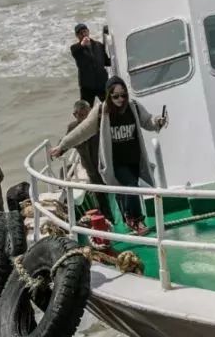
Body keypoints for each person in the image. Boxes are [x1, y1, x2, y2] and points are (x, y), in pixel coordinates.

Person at [51, 76, 165, 235]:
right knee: (130, 186)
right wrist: (62, 146)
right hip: (115, 162)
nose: (120, 99)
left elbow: (148, 121)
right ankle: (135, 219)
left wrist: (158, 121)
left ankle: (129, 216)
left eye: (123, 95)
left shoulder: (134, 107)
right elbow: (82, 131)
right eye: (116, 96)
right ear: (108, 95)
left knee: (130, 187)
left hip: (133, 159)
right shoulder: (101, 112)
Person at [66, 99, 115, 226]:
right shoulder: (72, 128)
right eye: (80, 115)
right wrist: (58, 150)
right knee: (99, 194)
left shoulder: (99, 123)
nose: (84, 119)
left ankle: (127, 216)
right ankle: (108, 220)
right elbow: (66, 142)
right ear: (74, 115)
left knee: (117, 190)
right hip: (90, 167)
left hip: (105, 164)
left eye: (86, 115)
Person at [70, 23, 111, 104]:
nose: (83, 34)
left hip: (102, 83)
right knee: (86, 110)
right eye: (80, 33)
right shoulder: (75, 48)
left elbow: (106, 62)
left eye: (85, 31)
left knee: (110, 106)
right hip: (87, 86)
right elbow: (76, 51)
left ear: (88, 32)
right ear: (77, 36)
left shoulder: (99, 45)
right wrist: (82, 45)